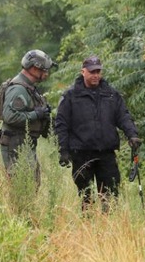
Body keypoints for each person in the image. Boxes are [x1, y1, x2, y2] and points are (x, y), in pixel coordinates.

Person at [55, 55, 140, 211]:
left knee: (111, 193)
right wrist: (63, 150)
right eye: (92, 72)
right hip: (81, 153)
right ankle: (88, 226)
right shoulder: (71, 96)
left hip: (106, 152)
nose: (96, 75)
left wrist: (132, 134)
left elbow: (123, 116)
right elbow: (61, 124)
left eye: (98, 72)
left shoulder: (111, 94)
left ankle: (108, 226)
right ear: (83, 72)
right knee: (85, 194)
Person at [0, 49, 54, 185]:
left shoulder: (28, 87)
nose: (46, 74)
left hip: (24, 143)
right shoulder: (18, 89)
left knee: (32, 182)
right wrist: (36, 114)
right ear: (34, 69)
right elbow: (10, 116)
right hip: (16, 144)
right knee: (23, 186)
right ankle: (20, 208)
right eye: (44, 70)